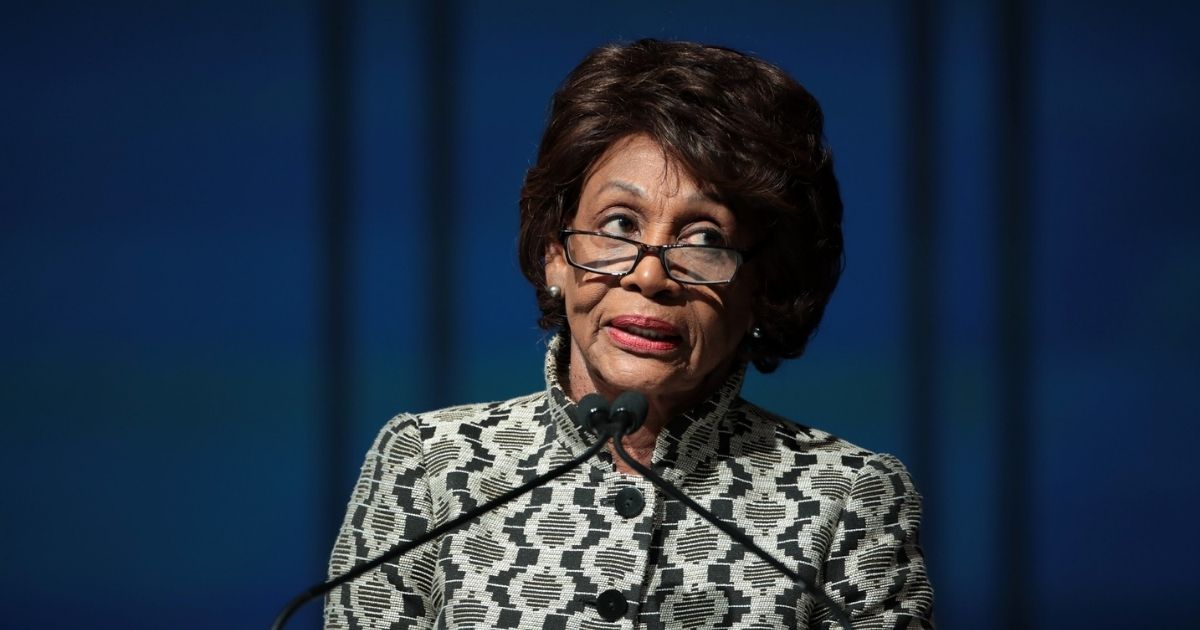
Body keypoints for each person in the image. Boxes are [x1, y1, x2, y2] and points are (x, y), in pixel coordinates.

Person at [325, 39, 934, 629]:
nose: (649, 276)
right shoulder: (428, 465)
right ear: (554, 254)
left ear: (763, 286)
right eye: (618, 224)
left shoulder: (850, 496)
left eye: (705, 240)